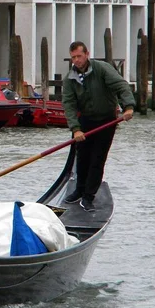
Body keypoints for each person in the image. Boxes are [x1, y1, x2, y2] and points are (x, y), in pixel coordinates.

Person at [62, 41, 135, 212]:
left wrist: (129, 107)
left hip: (107, 120)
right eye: (73, 57)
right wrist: (75, 129)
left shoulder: (102, 69)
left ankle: (88, 197)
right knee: (82, 158)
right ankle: (79, 190)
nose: (77, 60)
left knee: (97, 159)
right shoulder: (70, 79)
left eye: (79, 56)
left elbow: (121, 86)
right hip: (86, 120)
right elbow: (69, 105)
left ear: (87, 54)